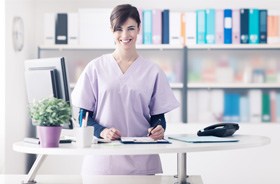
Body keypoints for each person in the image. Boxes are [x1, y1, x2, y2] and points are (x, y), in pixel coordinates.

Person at [71, 4, 180, 175]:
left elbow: (158, 117)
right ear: (111, 30)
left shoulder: (153, 71)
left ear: (139, 29)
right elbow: (83, 117)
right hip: (103, 162)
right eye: (118, 29)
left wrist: (159, 128)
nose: (124, 35)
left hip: (142, 162)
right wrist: (103, 132)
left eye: (131, 28)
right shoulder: (95, 67)